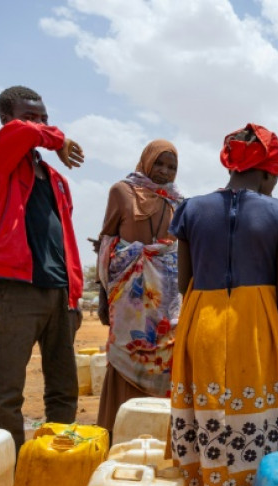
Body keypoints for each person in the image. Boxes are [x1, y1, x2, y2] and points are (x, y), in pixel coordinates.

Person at [168, 124, 278, 486]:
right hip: (257, 328)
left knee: (210, 421)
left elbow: (182, 282)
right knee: (262, 427)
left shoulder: (190, 209)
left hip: (202, 322)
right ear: (266, 172)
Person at [0, 86, 85, 453]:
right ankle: (10, 471)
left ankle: (56, 465)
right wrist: (58, 138)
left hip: (58, 291)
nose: (38, 124)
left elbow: (66, 240)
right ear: (7, 120)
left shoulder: (56, 179)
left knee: (64, 390)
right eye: (29, 116)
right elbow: (22, 135)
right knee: (7, 393)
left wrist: (74, 294)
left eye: (44, 118)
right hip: (17, 289)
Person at [95, 140, 182, 434]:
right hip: (128, 301)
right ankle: (118, 430)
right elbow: (107, 242)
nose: (164, 172)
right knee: (125, 357)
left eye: (171, 167)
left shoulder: (177, 202)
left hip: (165, 303)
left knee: (164, 362)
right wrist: (102, 296)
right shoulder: (122, 191)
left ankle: (155, 436)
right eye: (159, 163)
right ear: (145, 161)